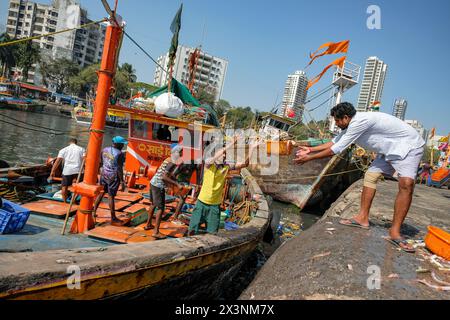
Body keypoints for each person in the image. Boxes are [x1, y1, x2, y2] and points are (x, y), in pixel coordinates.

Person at [290, 102, 425, 253]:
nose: (336, 124)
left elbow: (336, 149)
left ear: (346, 118)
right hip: (387, 150)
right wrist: (310, 149)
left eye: (337, 121)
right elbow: (334, 141)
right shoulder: (350, 125)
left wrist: (308, 158)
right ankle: (362, 218)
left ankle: (395, 232)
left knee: (406, 185)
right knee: (370, 176)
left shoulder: (359, 122)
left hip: (408, 146)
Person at [188, 137, 259, 235]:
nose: (224, 156)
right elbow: (217, 155)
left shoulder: (226, 167)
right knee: (192, 229)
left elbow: (245, 164)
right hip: (201, 203)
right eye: (223, 154)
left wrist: (252, 148)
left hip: (214, 206)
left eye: (225, 155)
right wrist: (231, 144)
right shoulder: (209, 164)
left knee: (212, 233)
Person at [144, 145, 184, 239]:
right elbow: (164, 177)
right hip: (158, 185)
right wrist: (177, 184)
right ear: (176, 153)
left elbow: (167, 174)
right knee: (161, 208)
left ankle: (148, 224)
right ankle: (156, 232)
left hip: (153, 183)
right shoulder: (172, 162)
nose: (182, 154)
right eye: (181, 152)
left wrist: (175, 180)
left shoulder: (168, 159)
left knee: (153, 204)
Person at [93, 136, 127, 225]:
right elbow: (119, 168)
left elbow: (100, 162)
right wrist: (122, 181)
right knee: (111, 196)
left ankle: (93, 211)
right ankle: (113, 217)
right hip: (113, 177)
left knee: (101, 193)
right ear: (117, 144)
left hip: (104, 174)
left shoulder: (104, 149)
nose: (123, 145)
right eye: (122, 144)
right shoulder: (120, 154)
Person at [49, 138, 85, 203]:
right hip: (79, 170)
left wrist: (52, 171)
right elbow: (85, 160)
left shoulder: (63, 150)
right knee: (78, 187)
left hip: (67, 170)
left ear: (69, 143)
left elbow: (58, 161)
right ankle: (73, 201)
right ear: (76, 143)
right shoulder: (82, 149)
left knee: (64, 187)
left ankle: (65, 202)